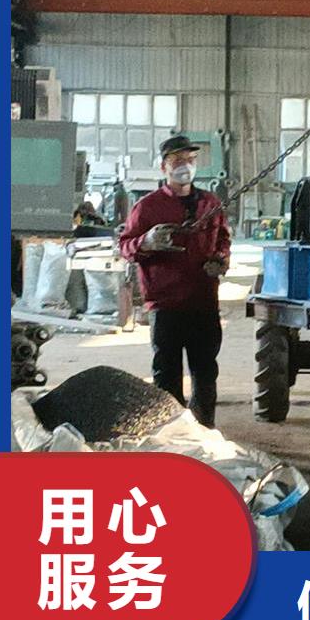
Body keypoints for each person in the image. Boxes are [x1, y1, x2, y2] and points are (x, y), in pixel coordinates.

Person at [119, 135, 231, 427]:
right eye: (177, 161)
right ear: (164, 167)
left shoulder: (210, 204)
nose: (185, 166)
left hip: (203, 302)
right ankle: (171, 434)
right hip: (166, 304)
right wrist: (146, 241)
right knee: (167, 374)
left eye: (190, 160)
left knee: (205, 373)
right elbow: (125, 246)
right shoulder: (147, 207)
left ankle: (204, 430)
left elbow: (223, 239)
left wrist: (221, 259)